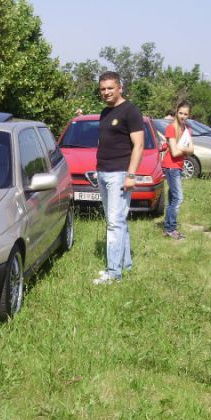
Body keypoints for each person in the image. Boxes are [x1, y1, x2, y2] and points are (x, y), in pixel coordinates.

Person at [93, 71, 144, 285]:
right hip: (103, 173)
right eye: (103, 89)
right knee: (118, 222)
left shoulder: (130, 111)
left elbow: (139, 145)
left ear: (120, 88)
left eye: (110, 88)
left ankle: (113, 273)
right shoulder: (105, 112)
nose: (106, 92)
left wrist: (131, 175)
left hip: (120, 174)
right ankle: (126, 265)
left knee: (114, 223)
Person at [162, 101, 195, 240]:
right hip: (171, 166)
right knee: (178, 198)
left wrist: (182, 149)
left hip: (179, 166)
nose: (182, 116)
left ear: (189, 115)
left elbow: (192, 150)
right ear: (176, 112)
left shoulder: (187, 129)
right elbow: (174, 153)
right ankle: (171, 228)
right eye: (180, 113)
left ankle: (168, 228)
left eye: (185, 114)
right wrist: (184, 150)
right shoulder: (171, 128)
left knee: (172, 198)